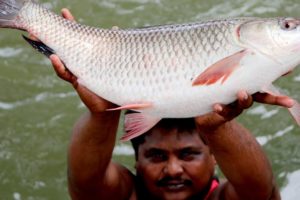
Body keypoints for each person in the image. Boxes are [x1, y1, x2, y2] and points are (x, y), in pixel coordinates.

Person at [47, 9, 295, 200]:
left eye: (188, 154)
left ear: (214, 157)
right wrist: (102, 113)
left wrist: (215, 127)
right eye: (156, 156)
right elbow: (85, 187)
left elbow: (260, 192)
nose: (173, 169)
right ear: (136, 161)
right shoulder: (125, 194)